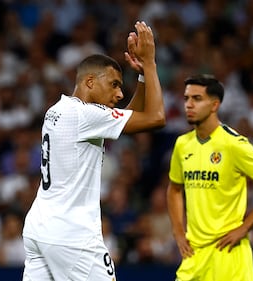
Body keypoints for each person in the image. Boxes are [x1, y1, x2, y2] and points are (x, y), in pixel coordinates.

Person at [21, 21, 165, 281]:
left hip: (39, 228)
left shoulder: (58, 109)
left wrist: (142, 75)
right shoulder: (85, 116)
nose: (120, 93)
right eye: (114, 85)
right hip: (72, 236)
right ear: (89, 81)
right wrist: (152, 64)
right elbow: (155, 117)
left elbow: (129, 116)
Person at [166, 74, 253, 281]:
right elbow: (174, 188)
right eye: (186, 99)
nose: (189, 105)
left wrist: (245, 227)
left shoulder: (234, 144)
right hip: (194, 256)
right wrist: (178, 231)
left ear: (214, 105)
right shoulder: (182, 144)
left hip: (228, 254)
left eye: (197, 99)